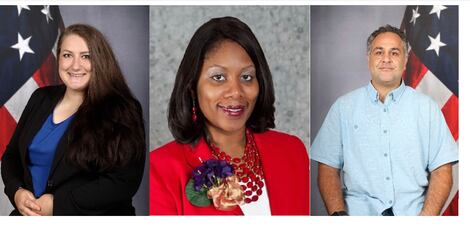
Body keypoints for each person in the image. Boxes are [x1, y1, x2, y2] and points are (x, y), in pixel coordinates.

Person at [150, 17, 308, 215]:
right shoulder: (159, 170)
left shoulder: (293, 151)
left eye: (246, 77)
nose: (236, 92)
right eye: (218, 77)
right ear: (192, 87)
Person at [312, 25, 457, 216]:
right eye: (379, 52)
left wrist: (425, 223)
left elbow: (442, 170)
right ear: (368, 59)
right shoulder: (343, 108)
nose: (386, 59)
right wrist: (339, 217)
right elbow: (328, 168)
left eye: (394, 53)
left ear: (405, 60)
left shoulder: (427, 108)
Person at [1, 24, 146, 215]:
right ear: (58, 58)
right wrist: (16, 191)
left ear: (100, 61)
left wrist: (58, 204)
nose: (75, 65)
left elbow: (123, 182)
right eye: (67, 55)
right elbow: (11, 156)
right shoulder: (41, 98)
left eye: (86, 56)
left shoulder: (123, 109)